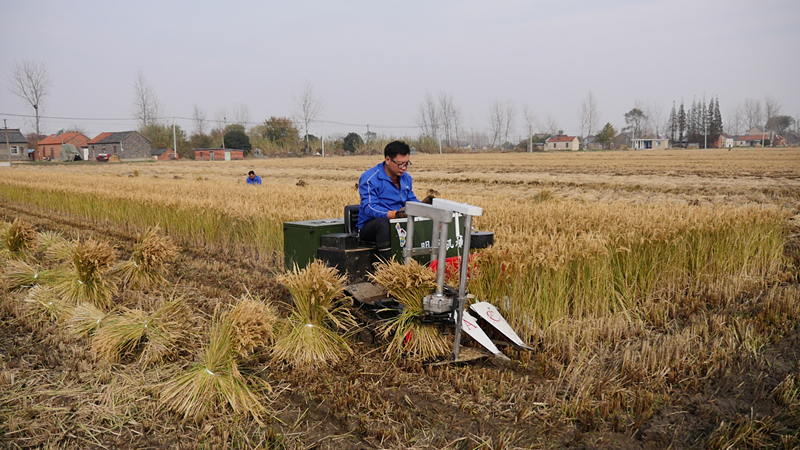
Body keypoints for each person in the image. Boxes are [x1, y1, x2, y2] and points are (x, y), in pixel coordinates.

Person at [357, 141, 419, 262]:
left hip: (399, 221)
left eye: (407, 164)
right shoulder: (370, 178)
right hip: (372, 226)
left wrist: (425, 208)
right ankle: (389, 266)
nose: (404, 168)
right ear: (388, 159)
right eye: (400, 164)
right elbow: (369, 207)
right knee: (384, 224)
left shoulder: (406, 178)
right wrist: (394, 214)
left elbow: (411, 199)